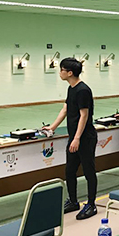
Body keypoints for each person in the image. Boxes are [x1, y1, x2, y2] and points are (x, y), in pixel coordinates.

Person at [43, 58, 98, 220]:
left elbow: (84, 115)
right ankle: (73, 201)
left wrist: (77, 138)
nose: (59, 72)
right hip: (75, 137)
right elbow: (65, 109)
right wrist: (52, 127)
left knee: (88, 171)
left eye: (62, 69)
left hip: (85, 138)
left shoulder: (83, 90)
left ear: (70, 73)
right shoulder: (71, 88)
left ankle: (91, 204)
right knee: (69, 171)